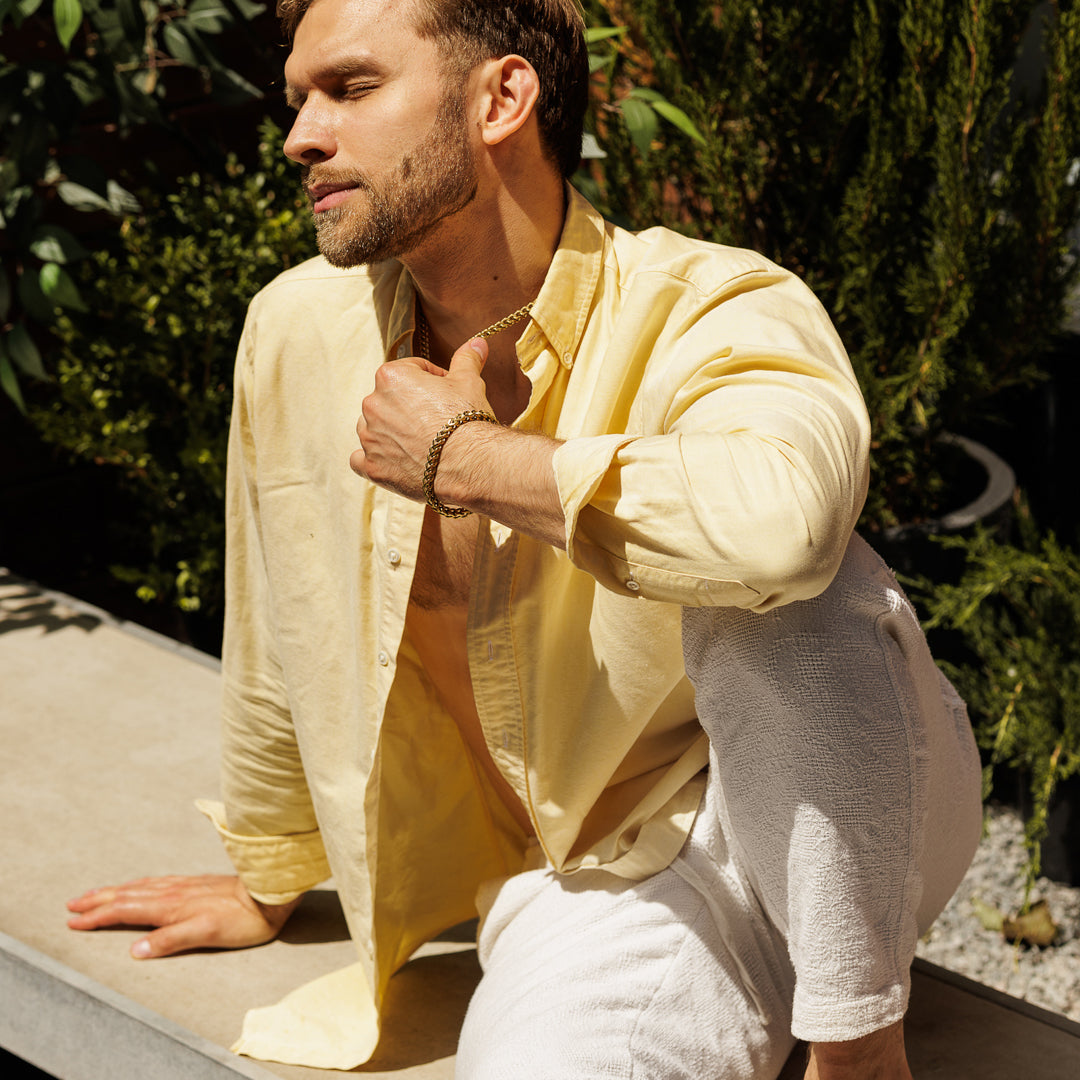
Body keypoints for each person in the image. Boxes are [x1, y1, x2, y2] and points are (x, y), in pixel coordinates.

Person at [67, 1, 983, 1077]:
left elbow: (785, 531)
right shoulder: (298, 327)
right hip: (601, 872)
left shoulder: (712, 300)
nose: (299, 136)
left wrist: (475, 463)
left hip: (831, 809)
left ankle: (861, 1050)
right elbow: (281, 614)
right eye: (298, 99)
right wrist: (271, 875)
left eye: (350, 89)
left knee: (788, 588)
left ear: (502, 98)